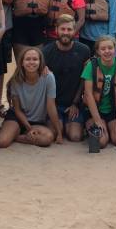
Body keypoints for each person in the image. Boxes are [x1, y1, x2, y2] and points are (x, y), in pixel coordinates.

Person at [0, 47, 62, 148]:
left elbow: (51, 107)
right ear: (21, 62)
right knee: (1, 142)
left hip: (38, 121)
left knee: (47, 138)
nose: (31, 62)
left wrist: (59, 133)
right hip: (18, 118)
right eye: (28, 59)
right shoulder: (16, 80)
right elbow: (17, 110)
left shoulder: (48, 77)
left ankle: (14, 135)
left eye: (35, 59)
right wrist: (29, 129)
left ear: (40, 62)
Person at [42, 14, 91, 142]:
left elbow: (84, 79)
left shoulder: (84, 50)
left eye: (69, 29)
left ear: (74, 31)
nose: (66, 33)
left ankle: (76, 123)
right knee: (52, 133)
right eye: (63, 29)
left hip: (73, 102)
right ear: (56, 30)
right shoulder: (46, 51)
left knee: (75, 137)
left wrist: (75, 103)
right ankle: (59, 123)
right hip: (53, 103)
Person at [81, 35, 116, 148]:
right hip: (94, 112)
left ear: (115, 49)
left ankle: (110, 128)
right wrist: (97, 120)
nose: (107, 51)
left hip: (112, 111)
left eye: (110, 48)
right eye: (103, 49)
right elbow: (88, 95)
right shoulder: (91, 65)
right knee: (98, 144)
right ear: (98, 51)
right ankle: (94, 127)